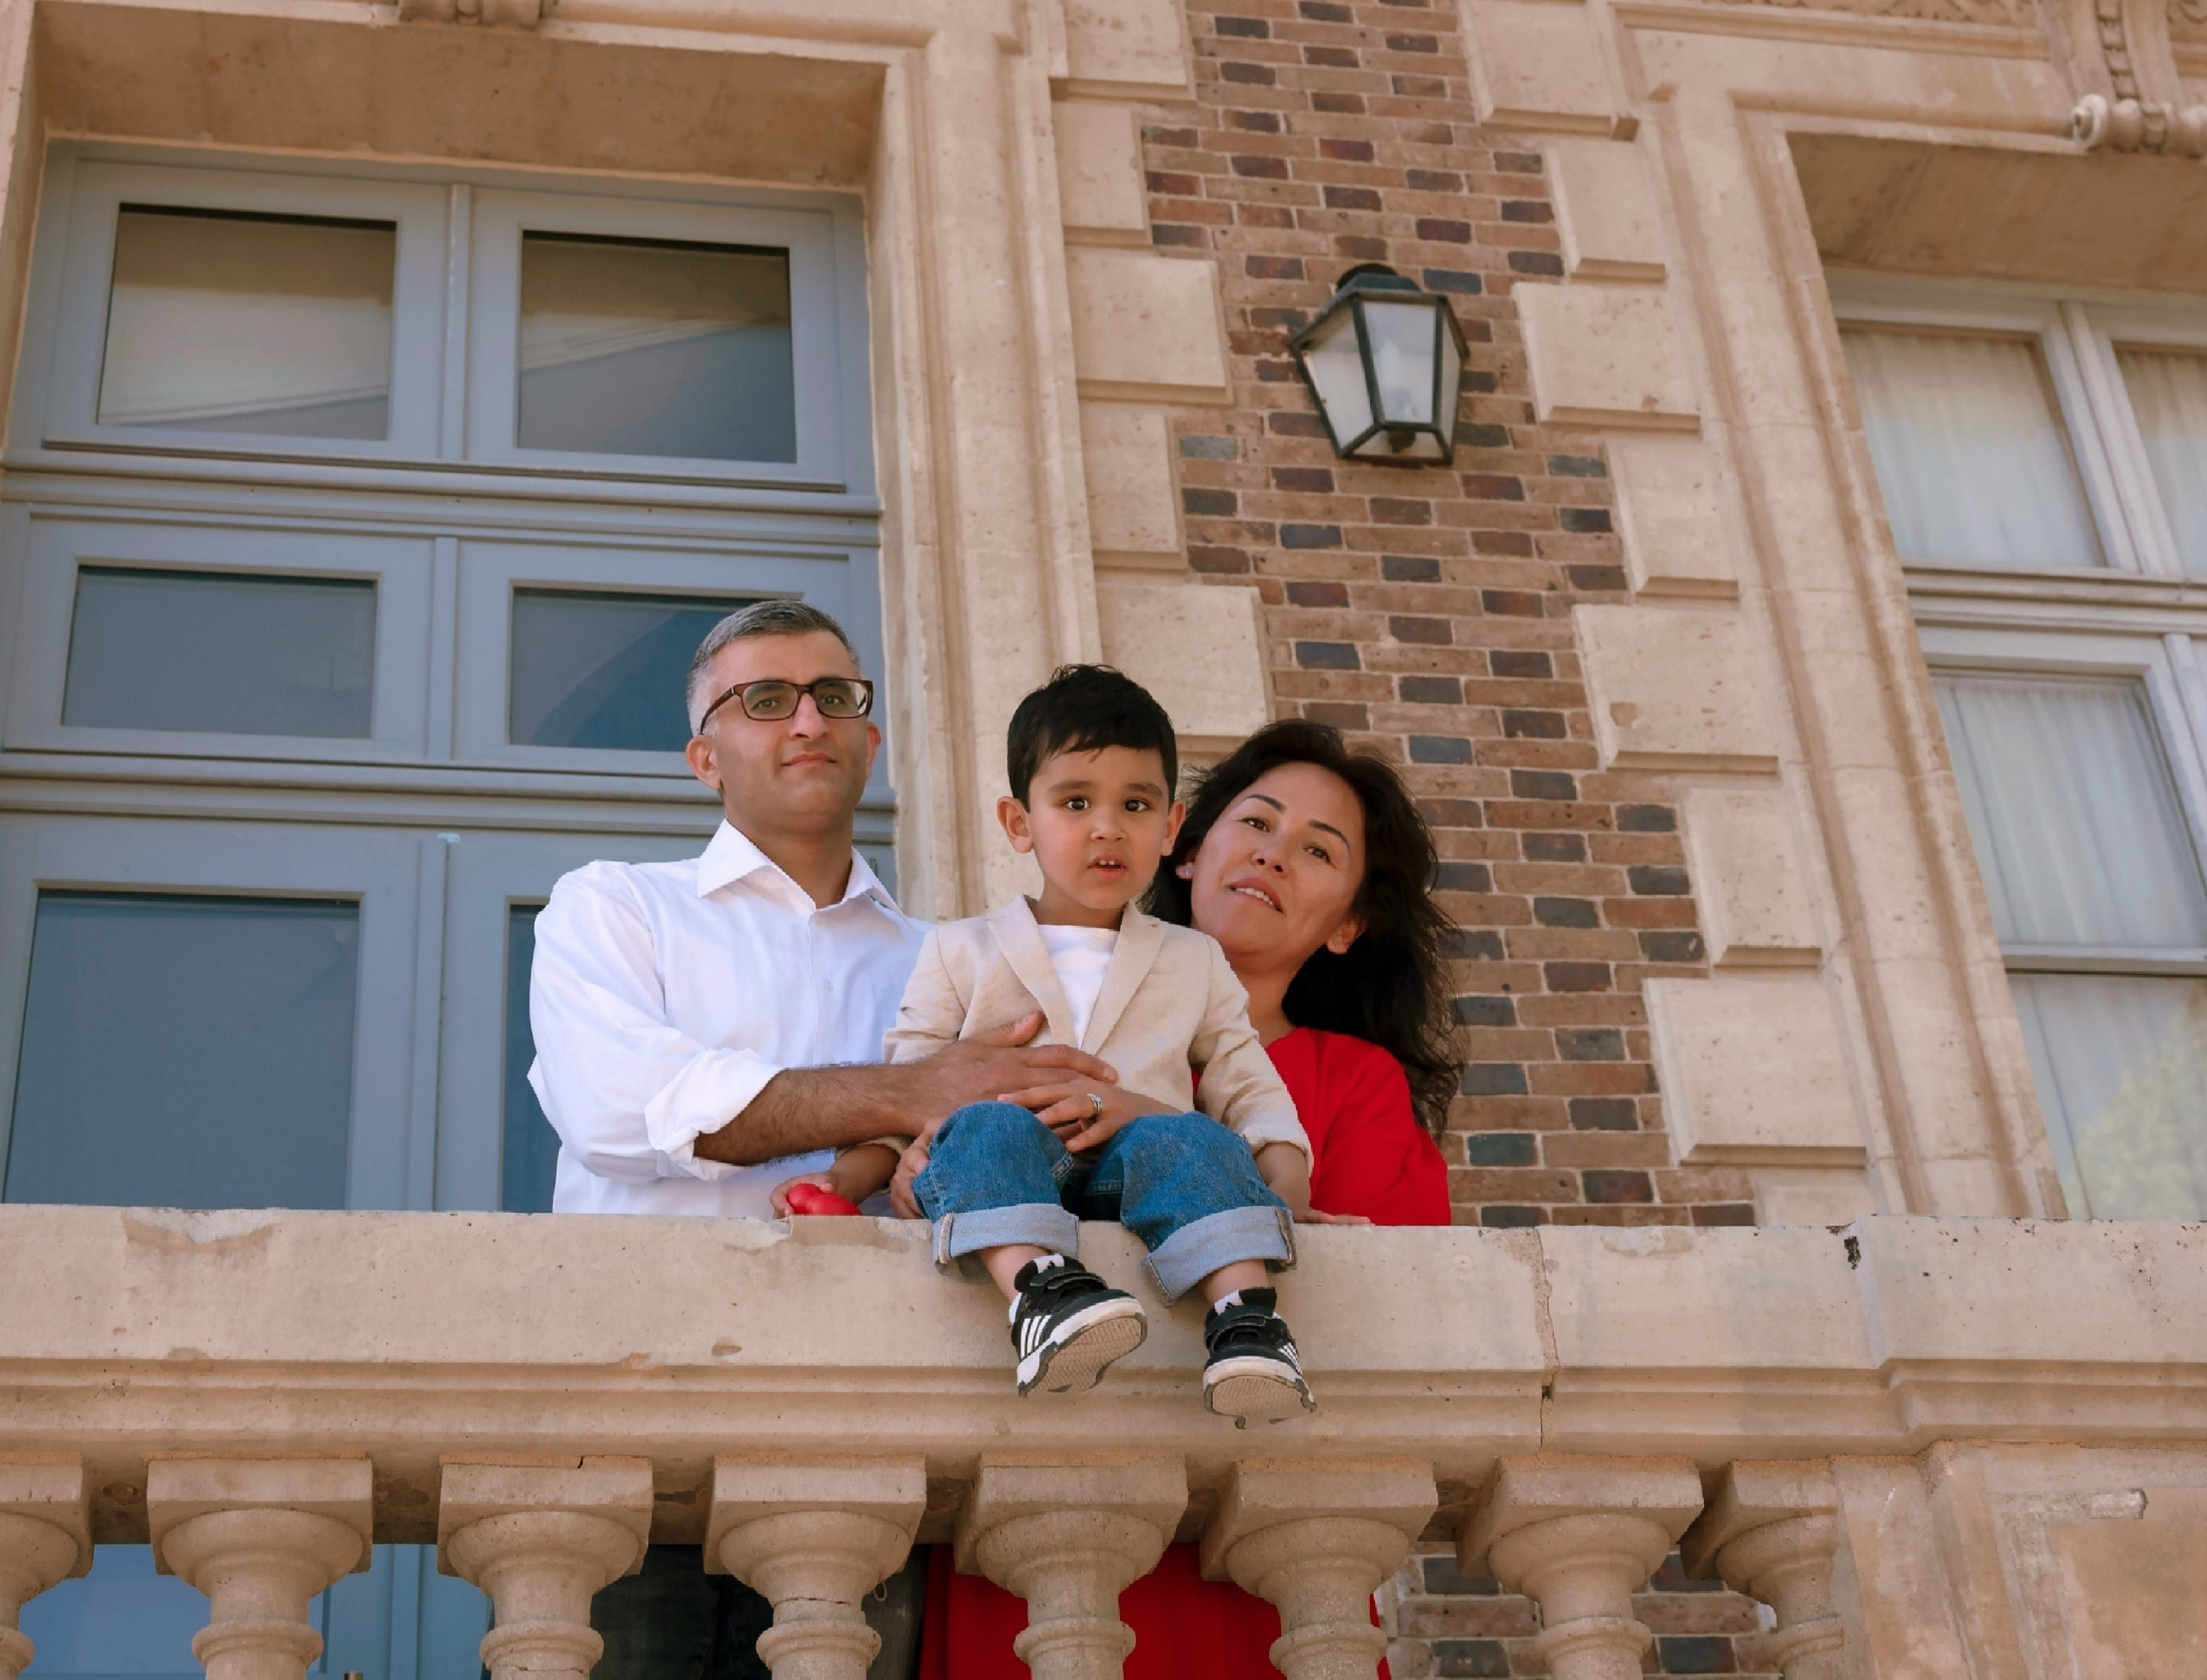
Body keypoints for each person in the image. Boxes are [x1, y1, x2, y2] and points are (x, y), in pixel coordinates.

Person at [527, 600, 1127, 1679]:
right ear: (705, 755)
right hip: (631, 1412)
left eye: (834, 696)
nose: (807, 719)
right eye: (766, 699)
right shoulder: (614, 906)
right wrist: (909, 1089)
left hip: (874, 1425)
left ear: (870, 740)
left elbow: (1021, 1135)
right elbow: (626, 1107)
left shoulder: (949, 958)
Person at [916, 717, 1459, 1680]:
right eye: (1254, 821)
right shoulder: (1009, 1004)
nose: (1271, 853)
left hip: (1257, 1548)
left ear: (1345, 924)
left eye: (1317, 849)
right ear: (1191, 842)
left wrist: (1143, 1112)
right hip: (1030, 1500)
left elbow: (1396, 1309)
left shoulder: (1351, 1081)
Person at [781, 665, 1325, 1423]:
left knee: (1192, 1137)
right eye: (1076, 802)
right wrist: (846, 1181)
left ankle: (1246, 1321)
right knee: (982, 1125)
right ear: (1019, 822)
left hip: (1142, 1171)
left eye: (1135, 805)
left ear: (1171, 827)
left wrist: (1286, 1197)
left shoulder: (1193, 959)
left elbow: (1249, 1084)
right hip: (1011, 1162)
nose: (1108, 827)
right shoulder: (958, 947)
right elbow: (906, 1082)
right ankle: (1041, 1294)